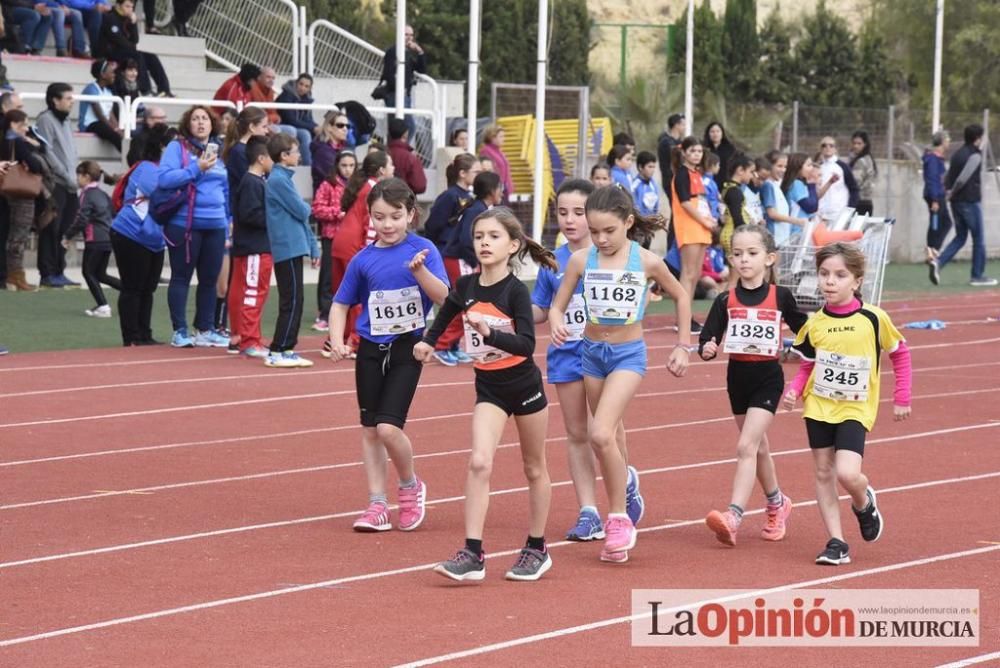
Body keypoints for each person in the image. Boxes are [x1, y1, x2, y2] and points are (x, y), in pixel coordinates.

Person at [548, 185, 692, 562]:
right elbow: (557, 305)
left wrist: (682, 344)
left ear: (628, 223)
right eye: (595, 231)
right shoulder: (581, 260)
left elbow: (680, 295)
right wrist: (557, 321)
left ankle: (617, 520)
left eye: (609, 231)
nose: (601, 238)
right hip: (592, 354)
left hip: (628, 355)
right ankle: (625, 483)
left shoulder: (646, 262)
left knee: (599, 433)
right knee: (613, 434)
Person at [416, 207, 557, 582]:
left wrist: (489, 333)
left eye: (493, 237)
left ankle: (537, 547)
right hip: (489, 387)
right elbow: (446, 311)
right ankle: (473, 553)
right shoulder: (465, 287)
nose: (484, 243)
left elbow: (527, 344)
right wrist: (428, 342)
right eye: (479, 236)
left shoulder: (515, 291)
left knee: (534, 467)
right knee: (479, 462)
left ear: (512, 245)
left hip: (524, 388)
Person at [327, 177, 449, 533]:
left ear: (410, 214)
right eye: (379, 217)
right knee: (369, 430)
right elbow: (340, 304)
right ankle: (377, 503)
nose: (388, 224)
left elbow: (444, 297)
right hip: (369, 348)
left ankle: (410, 486)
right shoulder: (363, 260)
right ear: (370, 218)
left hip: (407, 346)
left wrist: (420, 271)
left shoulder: (424, 250)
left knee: (388, 428)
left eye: (395, 216)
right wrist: (337, 339)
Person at [783, 242, 912, 565]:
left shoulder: (873, 318)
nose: (830, 281)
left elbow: (900, 354)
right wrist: (794, 390)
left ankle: (863, 501)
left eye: (840, 275)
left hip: (855, 407)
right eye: (824, 274)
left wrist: (902, 397)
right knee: (824, 472)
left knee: (847, 472)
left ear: (856, 281)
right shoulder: (815, 324)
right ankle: (836, 542)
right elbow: (808, 364)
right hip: (819, 406)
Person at [532, 178, 630, 541]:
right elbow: (541, 310)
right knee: (576, 434)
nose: (570, 220)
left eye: (578, 212)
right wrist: (507, 309)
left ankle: (624, 485)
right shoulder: (552, 261)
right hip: (566, 355)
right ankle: (589, 511)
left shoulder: (615, 255)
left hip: (607, 355)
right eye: (562, 213)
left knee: (607, 432)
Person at [698, 225, 807, 546]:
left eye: (752, 253)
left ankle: (733, 515)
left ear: (770, 259)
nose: (743, 260)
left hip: (768, 380)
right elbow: (709, 335)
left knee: (746, 447)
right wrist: (707, 348)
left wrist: (813, 350)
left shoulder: (780, 297)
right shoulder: (725, 299)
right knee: (758, 447)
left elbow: (806, 331)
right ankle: (777, 503)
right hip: (737, 380)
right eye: (737, 254)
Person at [158, 105, 230, 349]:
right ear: (188, 124)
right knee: (181, 277)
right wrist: (195, 168)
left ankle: (205, 329)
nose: (201, 123)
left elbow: (226, 189)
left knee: (209, 280)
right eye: (196, 118)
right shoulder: (177, 148)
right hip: (184, 224)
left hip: (216, 224)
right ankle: (180, 331)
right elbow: (165, 179)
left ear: (213, 124)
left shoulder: (220, 151)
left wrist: (228, 220)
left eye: (205, 119)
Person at [110, 123, 173, 345]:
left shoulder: (156, 169)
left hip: (151, 238)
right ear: (163, 148)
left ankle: (144, 334)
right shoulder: (148, 168)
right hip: (131, 233)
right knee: (133, 287)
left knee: (147, 289)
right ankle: (131, 337)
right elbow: (164, 195)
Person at [328, 150, 394, 352]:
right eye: (391, 164)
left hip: (341, 242)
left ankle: (335, 340)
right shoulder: (374, 190)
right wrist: (368, 254)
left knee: (342, 296)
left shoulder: (364, 186)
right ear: (382, 170)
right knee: (360, 296)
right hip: (354, 246)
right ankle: (358, 343)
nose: (394, 168)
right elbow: (371, 223)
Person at [262, 132, 318, 367]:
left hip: (293, 246)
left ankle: (286, 347)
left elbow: (302, 216)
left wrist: (313, 248)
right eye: (295, 151)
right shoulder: (278, 180)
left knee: (296, 298)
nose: (299, 155)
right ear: (284, 156)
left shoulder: (284, 178)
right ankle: (278, 348)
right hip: (287, 247)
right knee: (291, 299)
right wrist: (305, 206)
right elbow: (303, 212)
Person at [421, 153, 480, 365]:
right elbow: (433, 225)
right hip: (451, 253)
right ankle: (442, 344)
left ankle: (453, 344)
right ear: (463, 174)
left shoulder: (471, 197)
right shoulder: (450, 196)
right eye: (476, 172)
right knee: (458, 300)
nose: (480, 175)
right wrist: (440, 247)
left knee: (466, 300)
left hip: (462, 254)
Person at [932, 124, 996, 287]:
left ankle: (938, 263)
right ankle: (977, 275)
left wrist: (948, 192)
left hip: (956, 203)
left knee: (961, 237)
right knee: (978, 238)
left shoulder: (958, 154)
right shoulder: (974, 155)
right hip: (968, 201)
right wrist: (952, 192)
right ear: (977, 138)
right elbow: (963, 178)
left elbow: (949, 175)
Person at [227, 136, 272, 358]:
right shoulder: (252, 182)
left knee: (256, 292)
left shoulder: (256, 181)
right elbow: (250, 215)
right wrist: (275, 217)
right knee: (253, 293)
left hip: (257, 247)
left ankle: (251, 336)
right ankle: (249, 340)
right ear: (261, 158)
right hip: (254, 248)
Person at [35, 82, 81, 288]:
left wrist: (75, 177)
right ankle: (47, 273)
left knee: (66, 229)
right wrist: (65, 175)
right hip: (56, 184)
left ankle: (59, 271)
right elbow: (47, 152)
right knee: (51, 229)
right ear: (55, 100)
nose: (72, 102)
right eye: (68, 98)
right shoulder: (45, 119)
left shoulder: (65, 121)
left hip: (70, 184)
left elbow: (70, 152)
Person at [63, 160, 121, 316]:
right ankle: (129, 290)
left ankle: (103, 306)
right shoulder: (103, 194)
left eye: (79, 176)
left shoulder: (86, 195)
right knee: (100, 274)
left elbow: (81, 219)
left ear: (86, 176)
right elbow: (113, 214)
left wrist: (67, 236)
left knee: (88, 272)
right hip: (107, 239)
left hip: (94, 239)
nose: (77, 179)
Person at [671, 136, 714, 334]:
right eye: (693, 151)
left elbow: (699, 202)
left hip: (700, 228)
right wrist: (704, 220)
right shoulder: (681, 174)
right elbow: (685, 203)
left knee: (695, 274)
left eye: (699, 151)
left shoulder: (696, 173)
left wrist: (709, 220)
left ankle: (687, 317)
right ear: (684, 152)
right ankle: (683, 318)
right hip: (689, 227)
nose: (697, 155)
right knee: (688, 274)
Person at [2, 109, 47, 291]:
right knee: (19, 237)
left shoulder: (4, 140)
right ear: (14, 124)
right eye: (24, 125)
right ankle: (16, 276)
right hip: (21, 194)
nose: (27, 129)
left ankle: (12, 275)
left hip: (7, 191)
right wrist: (30, 146)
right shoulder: (18, 143)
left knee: (11, 235)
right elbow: (36, 165)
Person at [311, 149, 355, 332]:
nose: (347, 169)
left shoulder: (358, 185)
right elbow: (317, 208)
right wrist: (338, 213)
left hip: (351, 238)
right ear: (337, 165)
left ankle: (345, 314)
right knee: (328, 277)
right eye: (344, 165)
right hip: (331, 236)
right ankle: (325, 314)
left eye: (351, 165)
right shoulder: (328, 184)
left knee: (349, 276)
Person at [97, 0, 172, 97]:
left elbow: (135, 40)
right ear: (118, 5)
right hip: (110, 51)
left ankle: (165, 90)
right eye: (127, 6)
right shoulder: (110, 17)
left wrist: (133, 23)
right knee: (137, 55)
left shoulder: (128, 18)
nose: (130, 10)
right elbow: (119, 40)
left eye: (131, 7)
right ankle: (146, 90)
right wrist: (132, 47)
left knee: (151, 57)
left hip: (126, 51)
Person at [443, 169, 502, 272]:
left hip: (464, 260)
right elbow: (466, 240)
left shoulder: (479, 208)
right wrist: (475, 262)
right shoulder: (476, 210)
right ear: (491, 191)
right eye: (500, 188)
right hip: (459, 261)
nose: (502, 192)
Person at [249, 66, 310, 165]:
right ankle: (283, 161)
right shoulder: (254, 90)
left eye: (273, 78)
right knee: (291, 130)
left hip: (272, 123)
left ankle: (306, 165)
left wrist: (314, 127)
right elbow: (260, 114)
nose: (271, 80)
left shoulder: (270, 91)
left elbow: (274, 113)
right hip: (263, 124)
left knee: (305, 134)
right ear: (259, 77)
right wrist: (273, 118)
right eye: (268, 77)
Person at [380, 24, 426, 140]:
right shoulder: (393, 51)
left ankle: (396, 150)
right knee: (406, 127)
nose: (409, 38)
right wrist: (399, 88)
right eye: (406, 35)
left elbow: (422, 69)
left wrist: (420, 52)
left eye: (411, 35)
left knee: (404, 128)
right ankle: (396, 150)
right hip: (394, 95)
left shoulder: (407, 53)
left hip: (405, 96)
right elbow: (388, 74)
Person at [222, 106, 268, 200]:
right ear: (252, 127)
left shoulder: (249, 149)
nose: (266, 131)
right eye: (264, 126)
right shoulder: (239, 151)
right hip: (244, 206)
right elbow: (250, 182)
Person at [762, 151, 805, 247]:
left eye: (785, 167)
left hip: (781, 237)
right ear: (769, 166)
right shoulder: (768, 186)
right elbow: (772, 214)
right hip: (774, 237)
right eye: (779, 166)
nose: (783, 170)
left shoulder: (775, 185)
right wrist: (796, 221)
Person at [922, 131, 951, 271]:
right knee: (940, 223)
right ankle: (931, 250)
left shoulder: (937, 158)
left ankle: (932, 249)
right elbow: (932, 179)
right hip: (935, 196)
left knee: (940, 223)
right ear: (942, 142)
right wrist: (934, 199)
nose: (949, 142)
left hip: (939, 194)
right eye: (947, 140)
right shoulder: (933, 159)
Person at [79, 59, 122, 152]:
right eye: (111, 73)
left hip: (103, 124)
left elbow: (110, 114)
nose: (114, 75)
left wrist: (118, 128)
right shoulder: (90, 88)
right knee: (110, 132)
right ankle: (128, 156)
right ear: (103, 75)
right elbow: (100, 115)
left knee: (124, 133)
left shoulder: (108, 91)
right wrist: (114, 129)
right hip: (89, 125)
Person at [718, 153, 755, 260]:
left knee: (736, 272)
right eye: (751, 172)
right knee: (736, 273)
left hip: (730, 233)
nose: (752, 176)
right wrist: (746, 234)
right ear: (740, 170)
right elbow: (737, 216)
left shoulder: (729, 187)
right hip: (733, 235)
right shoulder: (735, 191)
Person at [275, 73, 317, 164]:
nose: (302, 88)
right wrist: (313, 127)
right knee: (305, 134)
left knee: (320, 133)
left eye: (306, 86)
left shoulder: (307, 99)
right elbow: (291, 120)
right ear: (296, 83)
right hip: (284, 124)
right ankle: (306, 166)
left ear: (310, 88)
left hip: (296, 126)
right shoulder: (286, 96)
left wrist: (318, 127)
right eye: (301, 84)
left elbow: (308, 119)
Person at [815, 136, 856, 222]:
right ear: (820, 149)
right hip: (820, 214)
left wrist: (849, 210)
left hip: (838, 213)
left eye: (831, 145)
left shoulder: (843, 166)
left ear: (835, 149)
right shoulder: (817, 167)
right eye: (824, 145)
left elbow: (854, 189)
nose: (827, 148)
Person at [310, 110, 349, 193]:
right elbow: (336, 179)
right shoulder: (322, 152)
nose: (345, 129)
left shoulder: (344, 149)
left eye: (347, 126)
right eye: (340, 125)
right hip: (328, 201)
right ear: (329, 127)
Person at [386, 117, 426, 195]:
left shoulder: (383, 153)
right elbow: (420, 186)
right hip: (405, 199)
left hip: (384, 197)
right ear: (406, 133)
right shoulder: (410, 157)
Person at [478, 125, 513, 202]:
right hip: (494, 189)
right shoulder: (486, 151)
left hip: (503, 188)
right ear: (492, 137)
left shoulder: (499, 151)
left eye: (504, 136)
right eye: (501, 136)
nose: (503, 139)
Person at [657, 113, 686, 204]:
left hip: (679, 179)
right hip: (670, 180)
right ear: (676, 125)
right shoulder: (666, 142)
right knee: (675, 205)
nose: (684, 127)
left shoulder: (680, 142)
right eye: (683, 125)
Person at [849, 131, 876, 216]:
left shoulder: (861, 161)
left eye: (859, 143)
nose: (855, 146)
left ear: (865, 144)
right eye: (854, 143)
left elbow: (855, 182)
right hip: (866, 202)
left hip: (859, 202)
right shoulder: (868, 158)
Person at [704, 121, 736, 188]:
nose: (715, 134)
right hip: (709, 183)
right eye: (712, 132)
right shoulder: (704, 149)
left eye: (718, 131)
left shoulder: (730, 148)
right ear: (708, 134)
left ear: (722, 133)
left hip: (726, 182)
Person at [632, 151, 660, 218]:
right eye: (650, 167)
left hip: (650, 224)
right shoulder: (634, 185)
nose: (653, 170)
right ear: (640, 167)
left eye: (654, 167)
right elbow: (635, 207)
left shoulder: (653, 184)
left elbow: (656, 205)